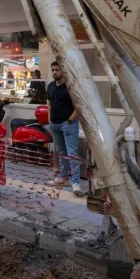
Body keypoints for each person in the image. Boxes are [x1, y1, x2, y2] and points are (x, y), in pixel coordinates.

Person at [45, 61, 83, 196]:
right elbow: (49, 104)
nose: (54, 72)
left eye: (57, 70)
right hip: (54, 124)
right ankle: (63, 178)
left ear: (63, 71)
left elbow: (79, 106)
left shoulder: (70, 87)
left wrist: (70, 121)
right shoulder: (50, 86)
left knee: (72, 154)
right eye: (52, 70)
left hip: (68, 124)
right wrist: (50, 120)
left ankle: (76, 183)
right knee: (61, 152)